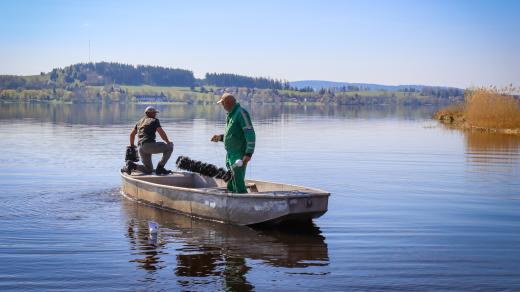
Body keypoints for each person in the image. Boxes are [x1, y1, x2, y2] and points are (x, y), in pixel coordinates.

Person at [211, 93, 256, 193]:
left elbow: (250, 134)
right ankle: (232, 198)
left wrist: (248, 153)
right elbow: (234, 135)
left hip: (239, 154)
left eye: (222, 104)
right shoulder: (231, 115)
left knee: (238, 181)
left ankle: (243, 201)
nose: (222, 107)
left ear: (228, 103)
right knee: (231, 180)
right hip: (231, 155)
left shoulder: (241, 113)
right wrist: (220, 137)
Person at [122, 106, 174, 175]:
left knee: (149, 170)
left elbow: (132, 134)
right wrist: (168, 142)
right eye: (154, 113)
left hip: (141, 148)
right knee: (170, 147)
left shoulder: (139, 122)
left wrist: (132, 145)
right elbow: (161, 132)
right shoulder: (154, 120)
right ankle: (160, 167)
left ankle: (132, 165)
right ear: (149, 113)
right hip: (149, 146)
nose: (155, 114)